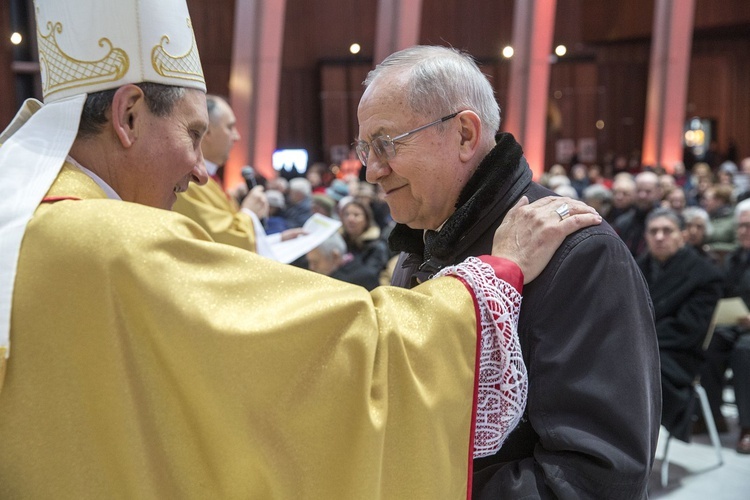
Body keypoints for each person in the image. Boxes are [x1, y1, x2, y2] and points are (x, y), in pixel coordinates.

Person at [0, 2, 603, 497]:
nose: (202, 170)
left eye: (386, 144)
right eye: (192, 135)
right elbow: (353, 350)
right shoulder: (106, 242)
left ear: (466, 132)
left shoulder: (23, 220)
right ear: (129, 115)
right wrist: (494, 275)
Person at [356, 45, 660, 499]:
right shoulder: (422, 243)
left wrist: (418, 485)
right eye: (365, 149)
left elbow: (598, 476)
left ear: (463, 134)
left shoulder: (578, 252)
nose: (371, 172)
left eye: (386, 144)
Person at [172, 94, 300, 257]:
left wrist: (279, 239)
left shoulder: (210, 179)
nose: (236, 136)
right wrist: (250, 212)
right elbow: (221, 243)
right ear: (206, 131)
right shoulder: (188, 182)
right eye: (230, 127)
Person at [636, 208, 723, 441]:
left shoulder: (705, 275)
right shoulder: (634, 269)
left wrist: (635, 338)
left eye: (667, 230)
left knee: (625, 367)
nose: (660, 236)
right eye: (654, 231)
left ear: (682, 235)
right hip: (638, 345)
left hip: (677, 356)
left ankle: (628, 445)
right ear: (646, 236)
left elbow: (689, 329)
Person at [700, 198, 750, 453]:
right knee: (710, 346)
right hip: (734, 324)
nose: (743, 231)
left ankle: (747, 427)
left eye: (749, 226)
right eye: (741, 226)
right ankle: (714, 414)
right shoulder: (733, 258)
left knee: (744, 352)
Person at [338, 199, 390, 290]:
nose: (350, 219)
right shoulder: (338, 241)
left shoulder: (376, 246)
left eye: (356, 215)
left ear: (366, 219)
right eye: (346, 215)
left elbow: (369, 275)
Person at [612, 170, 663, 257]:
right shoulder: (623, 222)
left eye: (648, 191)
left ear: (658, 192)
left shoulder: (666, 222)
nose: (642, 195)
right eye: (639, 191)